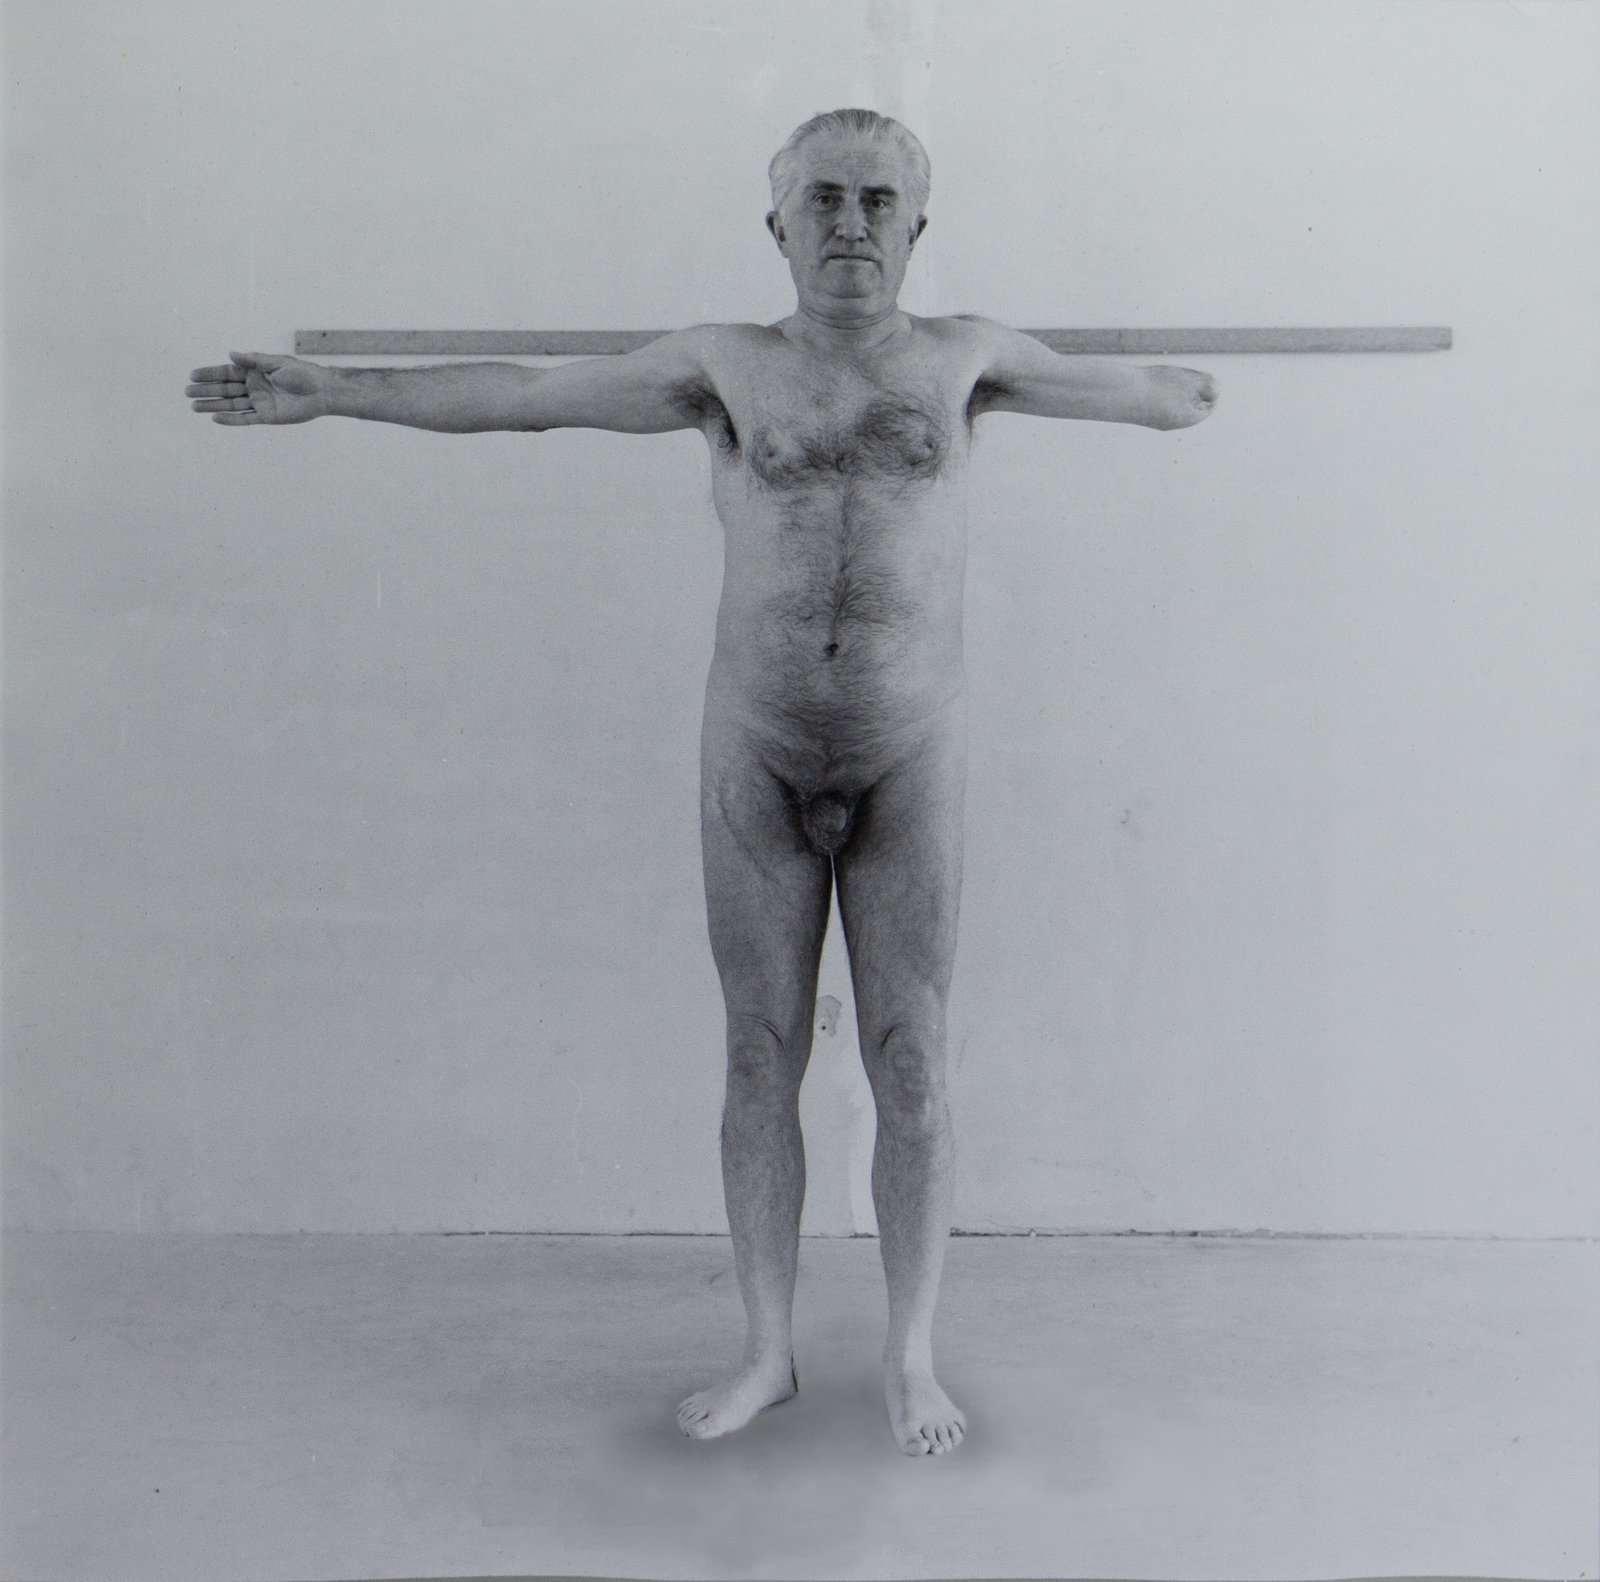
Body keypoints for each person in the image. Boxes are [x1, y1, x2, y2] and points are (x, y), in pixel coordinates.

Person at [188, 108, 1217, 1457]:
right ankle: (767, 1352)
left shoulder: (967, 357)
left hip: (911, 749)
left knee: (911, 1056)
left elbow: (1141, 395)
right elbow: (525, 395)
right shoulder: (724, 366)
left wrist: (1172, 392)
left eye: (878, 200)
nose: (850, 223)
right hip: (759, 750)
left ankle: (911, 1355)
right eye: (823, 198)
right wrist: (337, 390)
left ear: (918, 225)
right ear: (777, 223)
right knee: (756, 1052)